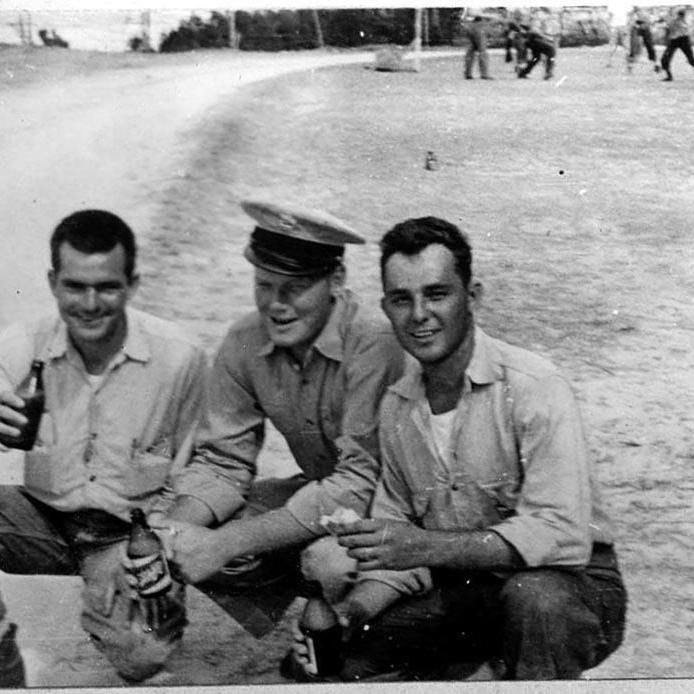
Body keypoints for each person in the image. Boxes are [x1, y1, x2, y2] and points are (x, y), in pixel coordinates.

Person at [296, 216, 627, 681]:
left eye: (437, 294)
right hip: (468, 590)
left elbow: (562, 535)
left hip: (572, 584)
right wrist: (354, 610)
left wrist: (427, 546)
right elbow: (396, 545)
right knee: (336, 658)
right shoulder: (397, 407)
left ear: (472, 297)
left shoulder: (534, 385)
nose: (419, 315)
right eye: (401, 299)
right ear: (386, 308)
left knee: (537, 604)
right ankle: (479, 668)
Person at [159, 200, 405, 642]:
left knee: (328, 559)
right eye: (264, 285)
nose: (276, 305)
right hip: (325, 498)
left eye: (295, 288)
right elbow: (221, 461)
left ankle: (355, 647)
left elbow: (360, 482)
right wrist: (176, 531)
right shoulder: (243, 340)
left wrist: (227, 544)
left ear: (336, 279)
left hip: (396, 509)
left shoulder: (373, 340)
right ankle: (318, 614)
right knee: (194, 524)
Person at [0, 210, 207, 683]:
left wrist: (158, 545)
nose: (90, 304)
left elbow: (202, 468)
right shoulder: (20, 344)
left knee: (143, 655)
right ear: (53, 282)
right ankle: (4, 666)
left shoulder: (180, 359)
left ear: (132, 284)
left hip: (126, 533)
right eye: (75, 287)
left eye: (107, 288)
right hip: (41, 518)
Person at [516, 14, 557, 80]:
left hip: (532, 42)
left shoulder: (531, 18)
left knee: (536, 58)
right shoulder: (529, 23)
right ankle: (548, 72)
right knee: (551, 51)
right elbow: (532, 31)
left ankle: (523, 73)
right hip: (534, 41)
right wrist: (547, 38)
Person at [660, 7, 694, 81]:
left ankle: (669, 76)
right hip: (674, 40)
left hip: (683, 39)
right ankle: (669, 76)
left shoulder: (684, 22)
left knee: (691, 60)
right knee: (665, 59)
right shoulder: (673, 21)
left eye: (682, 15)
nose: (680, 16)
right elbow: (666, 25)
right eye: (680, 15)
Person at [462, 11, 493, 80]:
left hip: (470, 28)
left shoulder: (470, 22)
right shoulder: (484, 23)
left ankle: (468, 73)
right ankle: (484, 74)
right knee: (482, 53)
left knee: (470, 53)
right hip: (480, 31)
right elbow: (489, 33)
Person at [629, 7, 660, 73]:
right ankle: (630, 68)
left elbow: (647, 23)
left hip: (644, 32)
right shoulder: (636, 16)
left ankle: (656, 66)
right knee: (635, 50)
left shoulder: (642, 16)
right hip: (641, 32)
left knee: (650, 50)